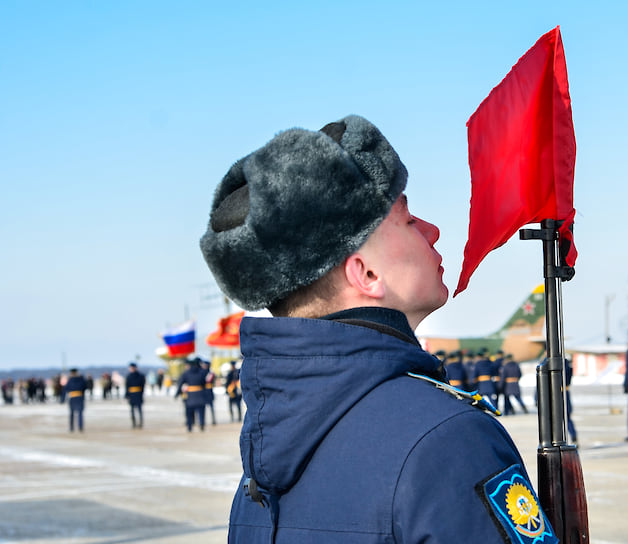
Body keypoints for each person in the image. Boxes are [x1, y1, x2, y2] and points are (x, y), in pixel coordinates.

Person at [200, 115, 555, 542]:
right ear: (366, 274)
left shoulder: (259, 470)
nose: (433, 230)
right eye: (407, 220)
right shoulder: (447, 440)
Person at [175, 358, 207, 432]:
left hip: (190, 396)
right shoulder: (201, 373)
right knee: (201, 412)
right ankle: (201, 423)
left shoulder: (186, 373)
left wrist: (177, 393)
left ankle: (190, 426)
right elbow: (204, 384)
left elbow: (180, 384)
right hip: (200, 394)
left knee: (189, 412)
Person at [63, 368, 86, 432]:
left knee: (72, 414)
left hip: (72, 397)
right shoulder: (81, 379)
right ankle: (80, 427)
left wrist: (62, 399)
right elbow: (85, 387)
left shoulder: (70, 380)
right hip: (80, 397)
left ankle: (71, 427)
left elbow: (65, 389)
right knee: (80, 413)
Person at [124, 362, 146, 429]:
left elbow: (142, 386)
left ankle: (140, 423)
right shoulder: (128, 376)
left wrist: (141, 394)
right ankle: (134, 423)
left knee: (139, 410)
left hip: (138, 394)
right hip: (131, 395)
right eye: (131, 368)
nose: (132, 369)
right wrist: (127, 395)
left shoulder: (140, 376)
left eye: (133, 368)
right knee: (132, 410)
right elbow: (127, 386)